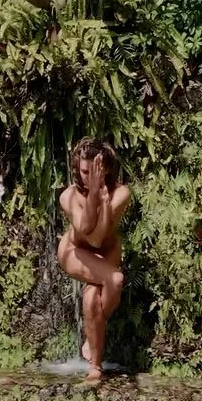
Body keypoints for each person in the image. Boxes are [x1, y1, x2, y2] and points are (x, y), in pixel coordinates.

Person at [57, 138, 131, 381]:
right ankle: (92, 343)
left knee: (91, 298)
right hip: (76, 252)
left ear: (106, 168)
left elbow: (101, 239)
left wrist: (107, 204)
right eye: (84, 171)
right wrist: (94, 194)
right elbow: (89, 231)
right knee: (116, 278)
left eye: (95, 172)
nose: (88, 176)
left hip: (107, 249)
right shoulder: (68, 196)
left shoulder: (121, 193)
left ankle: (94, 367)